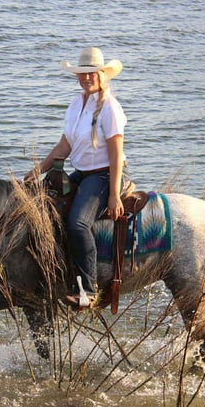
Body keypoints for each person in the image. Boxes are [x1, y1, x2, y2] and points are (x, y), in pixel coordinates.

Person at [25, 47, 132, 307]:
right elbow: (65, 145)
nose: (86, 77)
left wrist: (114, 195)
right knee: (45, 208)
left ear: (102, 74)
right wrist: (37, 171)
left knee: (78, 224)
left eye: (91, 73)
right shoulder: (76, 104)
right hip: (82, 173)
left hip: (105, 175)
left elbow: (116, 154)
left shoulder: (110, 107)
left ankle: (89, 290)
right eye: (82, 73)